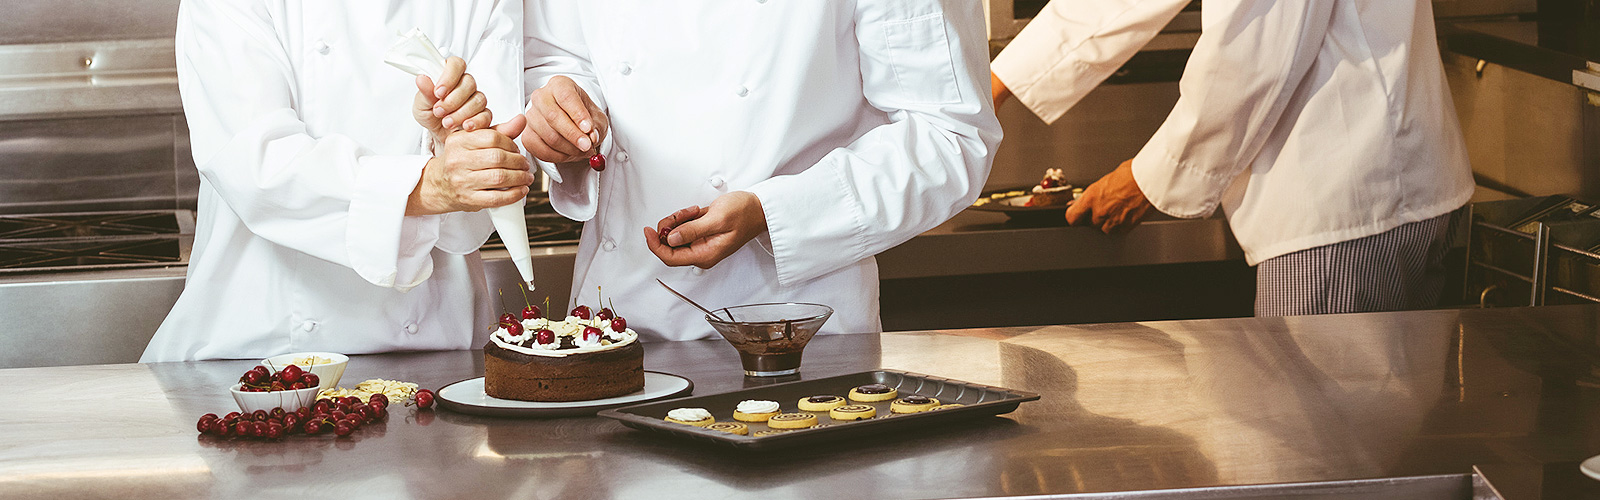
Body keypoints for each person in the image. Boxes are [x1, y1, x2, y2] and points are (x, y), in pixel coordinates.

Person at [520, 1, 1002, 341]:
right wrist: (563, 115)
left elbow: (950, 136)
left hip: (795, 330)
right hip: (614, 325)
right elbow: (553, 57)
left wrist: (772, 212)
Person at [991, 0, 1473, 315]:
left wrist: (1146, 179)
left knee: (1308, 440)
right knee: (1378, 436)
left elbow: (1254, 54)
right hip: (1385, 189)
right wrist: (995, 83)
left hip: (1343, 210)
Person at [142, 0, 530, 362]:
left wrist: (452, 144)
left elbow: (496, 174)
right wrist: (429, 186)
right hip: (260, 346)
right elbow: (255, 164)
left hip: (438, 343)